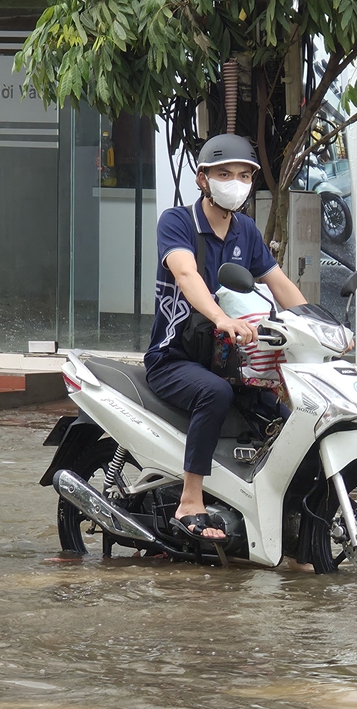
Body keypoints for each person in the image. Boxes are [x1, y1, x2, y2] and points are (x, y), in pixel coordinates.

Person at [145, 134, 308, 542]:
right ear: (202, 179)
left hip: (230, 362)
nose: (234, 182)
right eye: (223, 174)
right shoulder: (177, 221)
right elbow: (186, 276)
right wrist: (221, 318)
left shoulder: (247, 231)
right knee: (214, 394)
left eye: (243, 175)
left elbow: (281, 284)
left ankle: (292, 533)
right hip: (175, 358)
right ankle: (190, 501)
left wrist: (319, 328)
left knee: (288, 423)